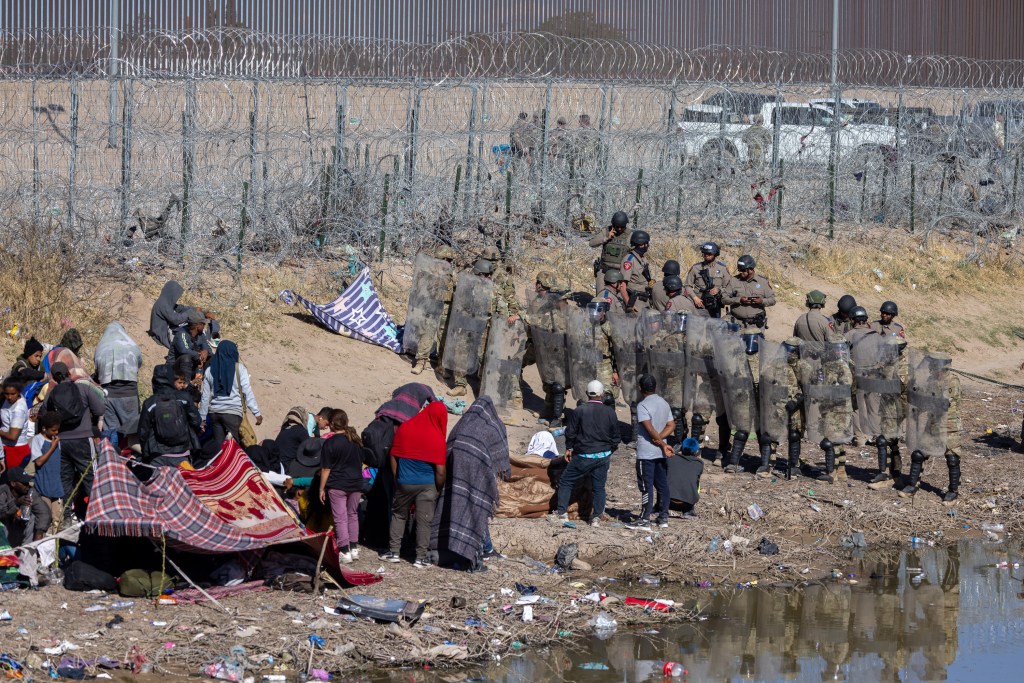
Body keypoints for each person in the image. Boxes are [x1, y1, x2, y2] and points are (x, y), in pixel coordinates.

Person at [431, 395, 510, 571]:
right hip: (477, 472)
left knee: (458, 507)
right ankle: (479, 551)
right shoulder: (492, 424)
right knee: (477, 508)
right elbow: (501, 451)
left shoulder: (463, 423)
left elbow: (449, 445)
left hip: (454, 470)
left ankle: (481, 548)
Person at [384, 400, 447, 567]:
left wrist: (398, 477)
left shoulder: (405, 428)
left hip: (404, 481)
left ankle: (394, 552)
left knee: (399, 515)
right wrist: (438, 488)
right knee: (424, 521)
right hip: (427, 484)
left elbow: (394, 455)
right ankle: (420, 558)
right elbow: (440, 471)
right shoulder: (437, 437)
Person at [550, 380, 619, 527]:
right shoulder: (610, 412)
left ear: (587, 394)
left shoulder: (580, 411)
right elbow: (616, 438)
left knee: (566, 481)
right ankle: (596, 518)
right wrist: (608, 451)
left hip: (583, 456)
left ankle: (561, 514)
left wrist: (568, 448)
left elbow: (570, 433)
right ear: (602, 394)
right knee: (599, 487)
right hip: (603, 456)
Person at [43, 362, 105, 515]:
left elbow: (45, 416)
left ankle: (66, 516)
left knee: (65, 479)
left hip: (61, 442)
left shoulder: (51, 394)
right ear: (69, 373)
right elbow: (100, 409)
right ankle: (97, 515)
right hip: (83, 439)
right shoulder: (83, 388)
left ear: (54, 378)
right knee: (91, 477)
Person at [318, 409, 366, 564]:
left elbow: (326, 469)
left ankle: (344, 551)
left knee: (340, 518)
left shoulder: (330, 442)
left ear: (331, 424)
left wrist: (321, 488)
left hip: (338, 484)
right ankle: (353, 548)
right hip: (356, 483)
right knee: (353, 515)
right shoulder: (356, 440)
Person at [627, 374, 674, 530]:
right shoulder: (664, 403)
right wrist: (662, 441)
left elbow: (649, 429)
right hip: (661, 453)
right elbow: (671, 426)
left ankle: (644, 518)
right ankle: (663, 517)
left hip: (647, 453)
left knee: (646, 486)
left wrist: (659, 442)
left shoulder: (642, 406)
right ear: (655, 387)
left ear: (640, 389)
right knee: (662, 486)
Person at [199, 340, 262, 448]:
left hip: (214, 413)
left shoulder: (209, 370)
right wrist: (256, 412)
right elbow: (247, 391)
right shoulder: (239, 369)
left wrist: (202, 418)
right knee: (235, 447)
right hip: (232, 414)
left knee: (220, 448)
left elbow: (205, 397)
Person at [138, 365, 202, 467]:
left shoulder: (149, 403)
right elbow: (196, 422)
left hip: (157, 456)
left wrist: (145, 453)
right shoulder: (184, 398)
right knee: (183, 482)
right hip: (183, 454)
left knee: (159, 482)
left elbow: (143, 433)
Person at [93, 321, 143, 449]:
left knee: (111, 432)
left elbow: (97, 372)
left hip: (108, 396)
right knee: (131, 432)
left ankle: (113, 459)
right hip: (129, 396)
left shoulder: (101, 347)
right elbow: (138, 364)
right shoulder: (132, 345)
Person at [410, 246, 457, 376]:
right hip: (430, 307)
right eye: (446, 259)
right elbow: (420, 288)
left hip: (445, 309)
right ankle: (420, 361)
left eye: (450, 260)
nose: (449, 262)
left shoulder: (452, 274)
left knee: (444, 338)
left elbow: (457, 291)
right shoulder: (427, 271)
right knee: (426, 334)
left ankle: (442, 366)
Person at [722, 255, 776, 334]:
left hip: (755, 325)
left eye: (743, 270)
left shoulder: (762, 282)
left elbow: (772, 300)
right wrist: (738, 300)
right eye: (739, 270)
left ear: (751, 269)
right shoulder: (733, 281)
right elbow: (723, 299)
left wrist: (761, 301)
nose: (740, 272)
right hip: (736, 323)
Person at [0, 466, 51, 546]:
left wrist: (40, 532)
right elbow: (1, 513)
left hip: (20, 531)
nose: (27, 485)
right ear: (13, 483)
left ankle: (27, 550)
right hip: (5, 532)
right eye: (24, 483)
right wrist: (16, 503)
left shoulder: (30, 492)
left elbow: (43, 512)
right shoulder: (2, 491)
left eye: (28, 482)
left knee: (32, 516)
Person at [28, 412, 63, 526]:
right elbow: (38, 462)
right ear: (44, 428)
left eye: (58, 430)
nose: (56, 432)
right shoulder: (37, 440)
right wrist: (52, 447)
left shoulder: (57, 440)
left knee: (58, 521)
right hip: (43, 487)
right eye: (53, 430)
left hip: (56, 487)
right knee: (45, 520)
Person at [589, 211, 631, 294]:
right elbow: (592, 243)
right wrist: (605, 238)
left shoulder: (630, 235)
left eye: (622, 227)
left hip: (621, 272)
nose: (619, 229)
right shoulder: (606, 231)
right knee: (601, 296)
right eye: (617, 226)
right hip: (605, 270)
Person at [686, 242, 731, 317]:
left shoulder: (722, 268)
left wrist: (719, 290)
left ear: (715, 254)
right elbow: (687, 286)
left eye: (709, 254)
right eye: (704, 253)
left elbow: (729, 287)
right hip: (700, 304)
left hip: (715, 304)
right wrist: (695, 298)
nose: (706, 256)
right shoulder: (695, 268)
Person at [167, 310, 211, 381]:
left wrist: (205, 352)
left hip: (191, 368)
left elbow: (207, 348)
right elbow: (184, 350)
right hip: (176, 369)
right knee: (186, 357)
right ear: (198, 325)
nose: (204, 326)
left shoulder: (201, 335)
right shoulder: (181, 334)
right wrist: (199, 355)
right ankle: (185, 386)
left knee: (212, 358)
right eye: (203, 324)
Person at [1, 378, 31, 471]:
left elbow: (13, 436)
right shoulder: (9, 400)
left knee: (12, 482)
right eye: (7, 394)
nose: (9, 397)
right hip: (7, 448)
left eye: (13, 394)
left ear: (18, 392)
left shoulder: (18, 410)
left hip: (15, 451)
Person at [621, 230, 654, 312]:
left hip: (645, 298)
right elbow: (622, 285)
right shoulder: (629, 260)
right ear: (640, 244)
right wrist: (629, 305)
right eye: (646, 243)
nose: (648, 246)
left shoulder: (643, 258)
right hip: (635, 300)